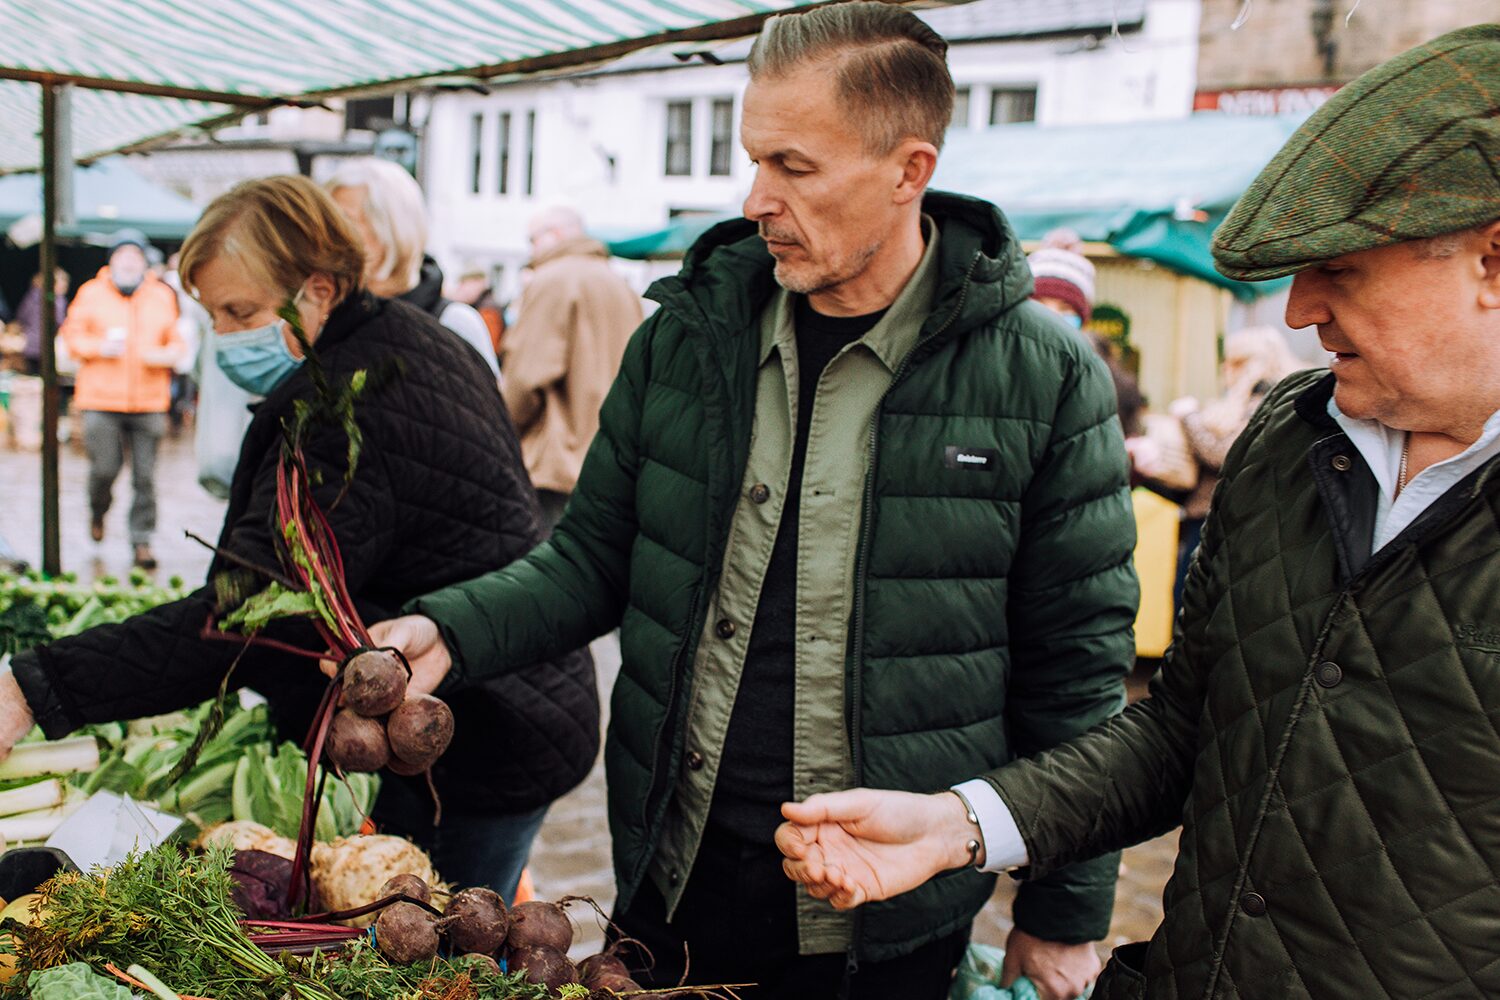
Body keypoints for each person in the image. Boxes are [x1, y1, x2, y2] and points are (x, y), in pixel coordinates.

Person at [360, 4, 1137, 997]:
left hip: (883, 923)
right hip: (671, 886)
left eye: (794, 166)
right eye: (754, 159)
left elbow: (1076, 670)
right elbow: (592, 559)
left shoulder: (1044, 380)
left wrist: (1065, 911)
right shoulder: (685, 339)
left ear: (910, 170)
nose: (758, 196)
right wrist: (450, 632)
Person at [775, 24, 1500, 1000]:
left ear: (1492, 260)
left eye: (1343, 270)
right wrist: (961, 822)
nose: (1297, 310)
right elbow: (1180, 730)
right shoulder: (1293, 428)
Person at [0, 177, 597, 901]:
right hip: (515, 704)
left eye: (240, 311)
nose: (223, 338)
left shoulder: (346, 405)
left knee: (451, 944)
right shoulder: (416, 338)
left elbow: (243, 616)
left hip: (479, 733)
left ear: (317, 289)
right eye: (213, 315)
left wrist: (36, 687)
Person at [501, 205, 641, 529]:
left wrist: (502, 427)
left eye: (532, 238)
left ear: (556, 235)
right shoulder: (620, 285)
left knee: (549, 569)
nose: (530, 249)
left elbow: (524, 378)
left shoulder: (552, 280)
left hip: (559, 464)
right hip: (611, 461)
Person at [60, 229, 184, 569]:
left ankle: (141, 541)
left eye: (135, 256)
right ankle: (97, 511)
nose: (129, 261)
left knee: (145, 477)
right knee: (104, 468)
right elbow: (71, 338)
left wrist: (161, 354)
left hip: (149, 401)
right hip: (101, 398)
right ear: (111, 260)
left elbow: (177, 343)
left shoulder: (161, 295)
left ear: (144, 261)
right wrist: (100, 348)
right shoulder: (90, 294)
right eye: (122, 255)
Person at [324, 157, 501, 379]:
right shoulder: (323, 313)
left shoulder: (453, 323)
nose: (329, 236)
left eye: (345, 221)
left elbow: (485, 411)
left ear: (392, 227)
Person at [1167, 325, 1300, 606]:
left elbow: (1226, 454)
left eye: (1232, 362)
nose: (1225, 370)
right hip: (1211, 519)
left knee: (1193, 603)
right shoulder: (1256, 401)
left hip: (1221, 522)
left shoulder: (1266, 402)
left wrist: (1188, 417)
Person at [17, 268, 69, 378]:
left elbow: (21, 317)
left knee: (33, 379)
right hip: (47, 348)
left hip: (30, 347)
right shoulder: (57, 300)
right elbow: (60, 323)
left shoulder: (30, 297)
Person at [453, 265, 505, 356]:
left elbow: (486, 350)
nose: (460, 289)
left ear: (477, 282)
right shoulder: (481, 306)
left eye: (464, 283)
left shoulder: (488, 311)